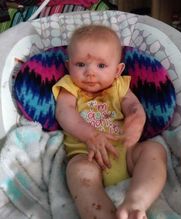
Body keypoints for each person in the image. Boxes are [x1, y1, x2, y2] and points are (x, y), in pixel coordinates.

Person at [52, 25, 167, 219]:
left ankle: (136, 202)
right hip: (88, 155)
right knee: (78, 170)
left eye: (101, 66)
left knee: (154, 150)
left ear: (117, 69)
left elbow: (134, 107)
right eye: (80, 65)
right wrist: (90, 134)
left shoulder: (120, 85)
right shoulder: (69, 86)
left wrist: (136, 120)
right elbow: (64, 112)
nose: (90, 73)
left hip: (126, 152)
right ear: (68, 65)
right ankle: (103, 214)